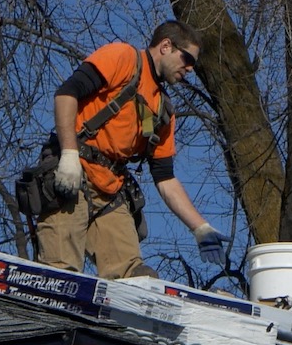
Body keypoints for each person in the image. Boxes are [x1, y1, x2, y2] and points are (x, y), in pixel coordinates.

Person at [34, 21, 228, 279]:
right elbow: (66, 94)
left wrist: (200, 227)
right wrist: (69, 155)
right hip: (74, 176)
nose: (190, 69)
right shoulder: (123, 57)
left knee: (135, 279)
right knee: (61, 273)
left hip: (110, 190)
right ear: (166, 46)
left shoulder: (162, 110)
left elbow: (165, 178)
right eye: (187, 59)